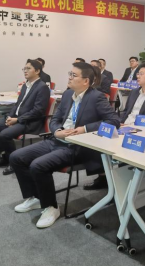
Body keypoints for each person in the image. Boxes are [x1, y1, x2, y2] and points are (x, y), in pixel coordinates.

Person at [10, 62, 120, 228]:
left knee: (38, 166)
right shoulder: (68, 94)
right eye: (70, 73)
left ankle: (51, 207)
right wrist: (57, 131)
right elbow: (55, 119)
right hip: (57, 139)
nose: (69, 77)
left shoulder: (96, 97)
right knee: (16, 157)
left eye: (74, 75)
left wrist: (84, 129)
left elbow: (114, 121)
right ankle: (36, 198)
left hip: (76, 146)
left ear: (86, 81)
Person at [0, 59, 50, 175]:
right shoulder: (25, 86)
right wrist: (10, 116)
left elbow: (38, 111)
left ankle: (14, 163)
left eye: (28, 68)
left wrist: (17, 120)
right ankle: (4, 156)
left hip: (29, 122)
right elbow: (17, 104)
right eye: (24, 68)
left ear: (37, 71)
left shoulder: (42, 87)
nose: (25, 71)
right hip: (16, 118)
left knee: (4, 134)